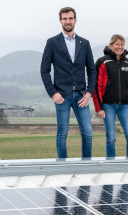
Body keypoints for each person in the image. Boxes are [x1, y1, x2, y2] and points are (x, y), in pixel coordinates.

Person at [40, 7, 96, 158]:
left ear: (75, 20)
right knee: (62, 132)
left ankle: (86, 165)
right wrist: (53, 93)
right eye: (64, 19)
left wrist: (90, 92)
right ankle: (62, 168)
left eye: (70, 18)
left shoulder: (84, 43)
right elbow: (44, 70)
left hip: (81, 95)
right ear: (60, 21)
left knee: (88, 133)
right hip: (61, 95)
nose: (67, 21)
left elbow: (92, 70)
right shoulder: (52, 42)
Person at [93, 34, 128, 157]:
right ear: (110, 45)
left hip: (125, 106)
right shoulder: (102, 62)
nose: (119, 47)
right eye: (117, 44)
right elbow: (96, 86)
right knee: (111, 138)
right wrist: (99, 107)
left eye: (122, 44)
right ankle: (111, 166)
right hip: (108, 105)